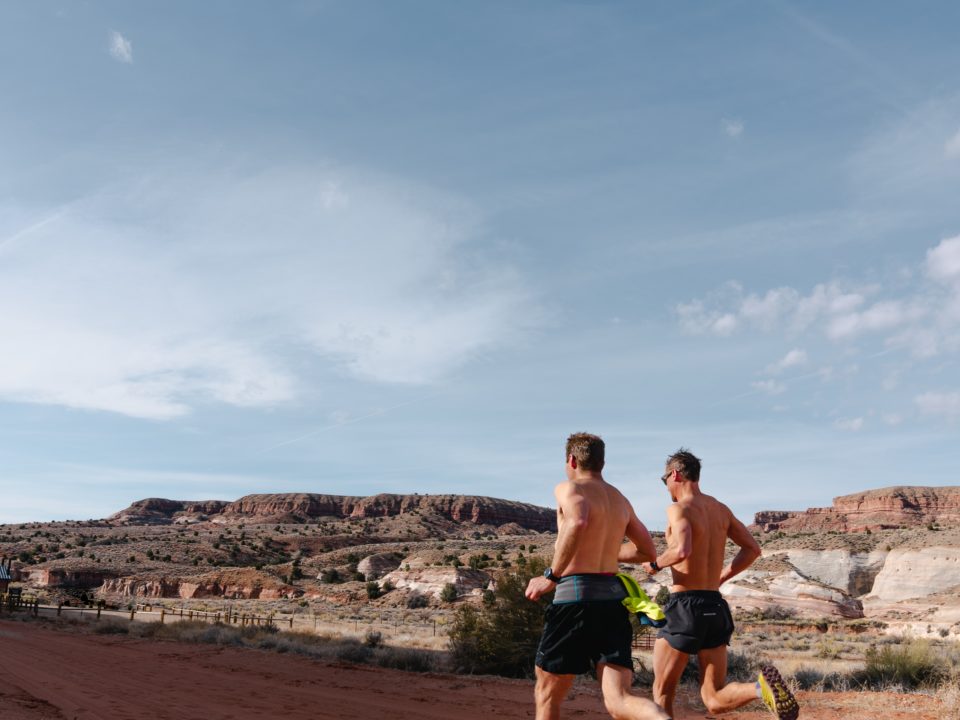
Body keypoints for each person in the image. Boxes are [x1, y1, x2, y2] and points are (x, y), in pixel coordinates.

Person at [619, 448, 799, 720]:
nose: (665, 485)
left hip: (684, 607)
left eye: (664, 479)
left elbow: (681, 550)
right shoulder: (721, 510)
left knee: (662, 692)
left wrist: (655, 564)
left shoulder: (678, 508)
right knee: (713, 698)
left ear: (675, 474)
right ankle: (758, 689)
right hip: (715, 606)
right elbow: (752, 549)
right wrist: (722, 577)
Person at [525, 432, 670, 720]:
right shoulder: (619, 499)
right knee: (619, 700)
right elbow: (647, 551)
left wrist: (551, 576)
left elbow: (578, 520)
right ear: (602, 462)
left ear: (571, 460)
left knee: (547, 695)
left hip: (573, 601)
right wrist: (604, 551)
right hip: (612, 604)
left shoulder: (569, 487)